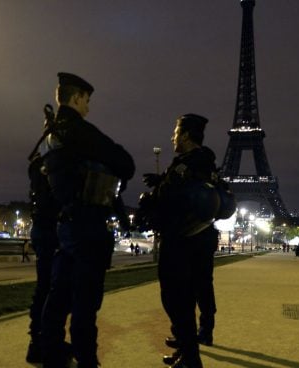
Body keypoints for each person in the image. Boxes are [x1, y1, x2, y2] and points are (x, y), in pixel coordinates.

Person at [40, 72, 135, 368]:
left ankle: (52, 353)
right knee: (86, 302)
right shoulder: (80, 131)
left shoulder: (51, 134)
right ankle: (87, 360)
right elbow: (126, 163)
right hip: (89, 224)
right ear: (77, 98)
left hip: (65, 223)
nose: (89, 107)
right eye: (87, 100)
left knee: (59, 296)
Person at [141, 113, 220, 368]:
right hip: (200, 236)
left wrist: (150, 200)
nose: (173, 137)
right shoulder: (203, 162)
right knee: (187, 297)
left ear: (185, 135)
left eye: (175, 132)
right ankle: (188, 351)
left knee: (175, 299)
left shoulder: (186, 164)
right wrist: (161, 180)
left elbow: (172, 199)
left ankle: (191, 358)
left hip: (181, 240)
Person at [24, 104, 63, 363]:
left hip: (42, 228)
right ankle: (47, 344)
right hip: (53, 230)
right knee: (54, 290)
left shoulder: (38, 163)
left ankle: (38, 341)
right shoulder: (54, 162)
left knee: (44, 288)